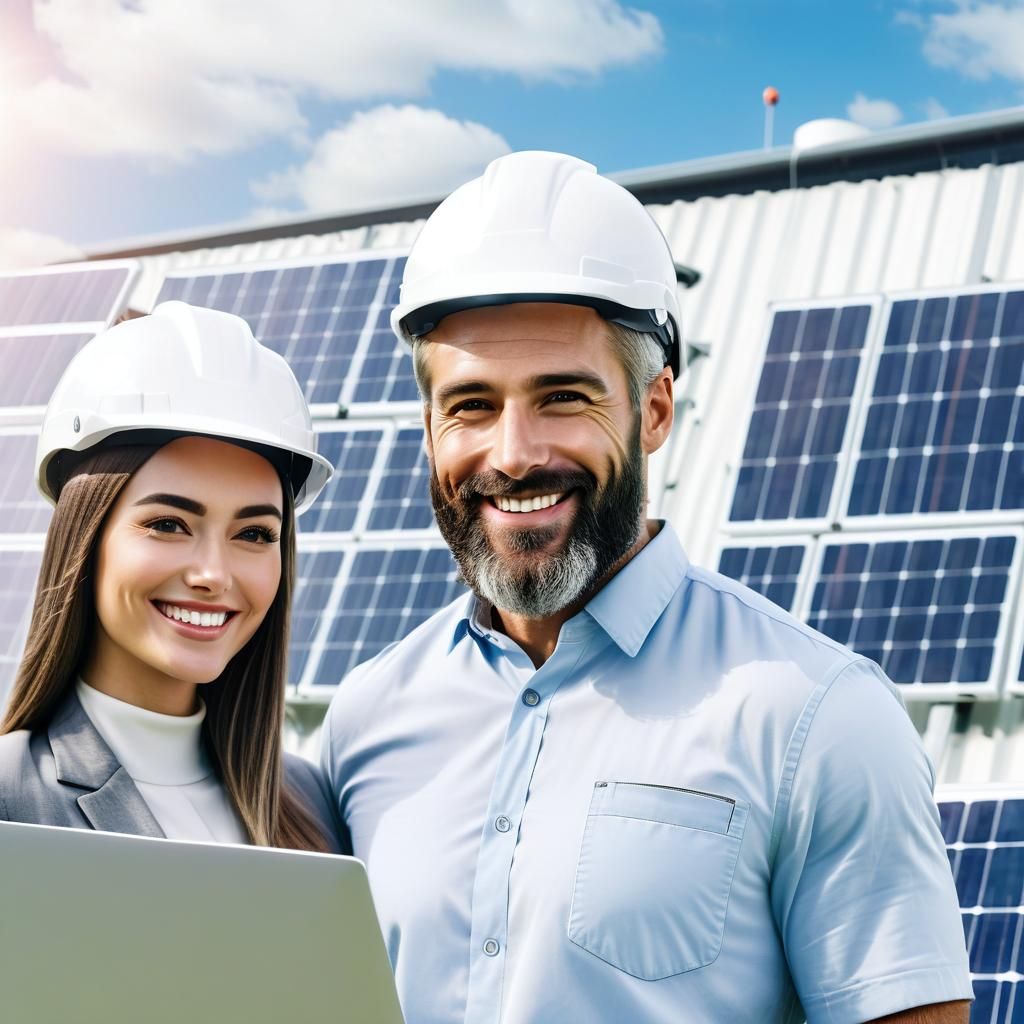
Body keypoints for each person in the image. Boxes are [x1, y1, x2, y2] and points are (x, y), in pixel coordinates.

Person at [321, 151, 973, 1023]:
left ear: (655, 409)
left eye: (563, 397)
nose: (513, 453)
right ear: (430, 428)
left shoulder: (817, 716)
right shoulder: (365, 719)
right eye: (470, 405)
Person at [0, 301, 342, 852]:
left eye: (254, 534)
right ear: (85, 538)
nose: (212, 574)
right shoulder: (10, 797)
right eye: (168, 524)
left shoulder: (311, 800)